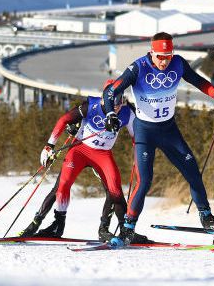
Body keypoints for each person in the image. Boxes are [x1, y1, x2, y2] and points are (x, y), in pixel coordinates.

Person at [102, 32, 214, 246]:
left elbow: (198, 81)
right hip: (145, 131)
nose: (164, 61)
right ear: (151, 53)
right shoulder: (138, 68)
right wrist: (110, 114)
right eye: (160, 57)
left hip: (169, 130)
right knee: (144, 181)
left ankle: (207, 218)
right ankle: (128, 228)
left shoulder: (178, 63)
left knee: (193, 172)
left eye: (168, 56)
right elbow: (110, 92)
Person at [20, 82, 134, 243]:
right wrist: (49, 145)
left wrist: (140, 155)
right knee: (62, 184)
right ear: (103, 99)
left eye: (119, 101)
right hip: (80, 150)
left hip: (102, 154)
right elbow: (64, 120)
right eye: (112, 102)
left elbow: (137, 136)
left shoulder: (127, 113)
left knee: (115, 188)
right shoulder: (91, 106)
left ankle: (119, 230)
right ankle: (56, 224)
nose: (116, 107)